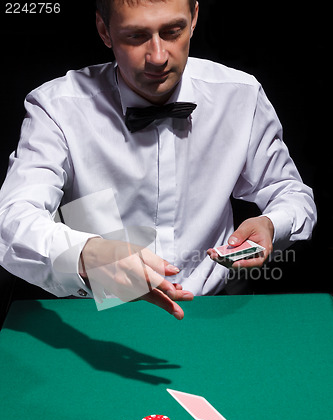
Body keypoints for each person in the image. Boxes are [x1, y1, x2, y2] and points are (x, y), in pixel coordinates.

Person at [0, 0, 316, 320]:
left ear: (194, 17)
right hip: (100, 313)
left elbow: (292, 194)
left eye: (172, 32)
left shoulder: (242, 95)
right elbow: (10, 221)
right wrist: (88, 254)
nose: (158, 57)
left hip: (217, 311)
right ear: (103, 30)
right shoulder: (56, 107)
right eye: (136, 36)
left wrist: (272, 225)